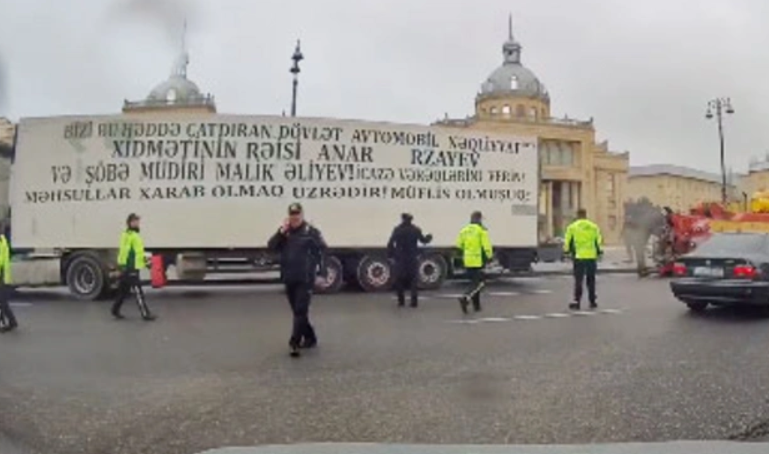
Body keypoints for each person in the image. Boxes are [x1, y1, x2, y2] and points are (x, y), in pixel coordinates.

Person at [268, 202, 327, 358]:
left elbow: (322, 252)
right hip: (289, 277)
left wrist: (322, 273)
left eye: (297, 215)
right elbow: (271, 246)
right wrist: (280, 233)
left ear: (302, 215)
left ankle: (294, 343)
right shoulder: (285, 232)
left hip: (305, 278)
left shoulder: (311, 232)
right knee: (297, 311)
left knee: (300, 310)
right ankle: (310, 337)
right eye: (292, 215)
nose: (295, 218)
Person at [112, 213, 156, 321]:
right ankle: (145, 314)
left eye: (138, 221)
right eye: (135, 221)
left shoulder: (129, 235)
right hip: (131, 268)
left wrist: (145, 262)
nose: (137, 223)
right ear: (130, 223)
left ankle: (115, 310)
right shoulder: (132, 236)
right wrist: (129, 267)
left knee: (123, 291)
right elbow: (129, 253)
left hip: (128, 267)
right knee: (138, 291)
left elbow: (138, 253)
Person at [387, 213, 433, 308]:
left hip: (400, 258)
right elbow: (424, 240)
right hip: (412, 258)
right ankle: (414, 302)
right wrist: (429, 237)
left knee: (399, 280)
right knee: (413, 280)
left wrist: (390, 256)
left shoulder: (397, 230)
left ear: (402, 219)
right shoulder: (415, 230)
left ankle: (401, 301)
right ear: (411, 220)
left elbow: (390, 243)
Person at [563, 208, 603, 310]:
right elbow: (598, 241)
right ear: (585, 215)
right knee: (591, 280)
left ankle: (577, 301)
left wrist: (566, 251)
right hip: (591, 257)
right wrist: (599, 252)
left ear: (577, 215)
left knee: (578, 280)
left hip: (579, 257)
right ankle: (592, 301)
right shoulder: (593, 226)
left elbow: (567, 241)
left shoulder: (572, 227)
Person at [456, 211, 493, 314]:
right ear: (479, 219)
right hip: (478, 261)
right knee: (480, 284)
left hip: (467, 261)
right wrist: (489, 257)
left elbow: (459, 245)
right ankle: (465, 297)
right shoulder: (481, 230)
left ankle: (477, 306)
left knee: (474, 283)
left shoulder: (464, 230)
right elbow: (486, 246)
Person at [0, 227, 17, 333]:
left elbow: (2, 261)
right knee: (2, 302)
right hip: (4, 275)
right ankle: (11, 322)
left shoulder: (1, 242)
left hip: (2, 276)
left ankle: (9, 322)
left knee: (2, 302)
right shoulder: (3, 240)